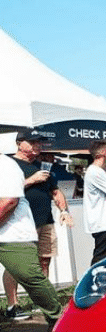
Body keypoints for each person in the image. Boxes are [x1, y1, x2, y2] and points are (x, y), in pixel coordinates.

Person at [2, 129, 73, 320]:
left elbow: (56, 192)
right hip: (21, 224)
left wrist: (64, 211)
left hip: (45, 221)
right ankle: (12, 305)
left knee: (44, 261)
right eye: (33, 142)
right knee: (18, 267)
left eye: (39, 143)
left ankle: (41, 302)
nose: (37, 146)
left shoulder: (44, 165)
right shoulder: (10, 165)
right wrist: (31, 180)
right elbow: (8, 193)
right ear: (19, 143)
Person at [0, 152, 63, 332]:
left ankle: (58, 321)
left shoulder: (6, 165)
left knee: (29, 276)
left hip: (11, 233)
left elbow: (9, 201)